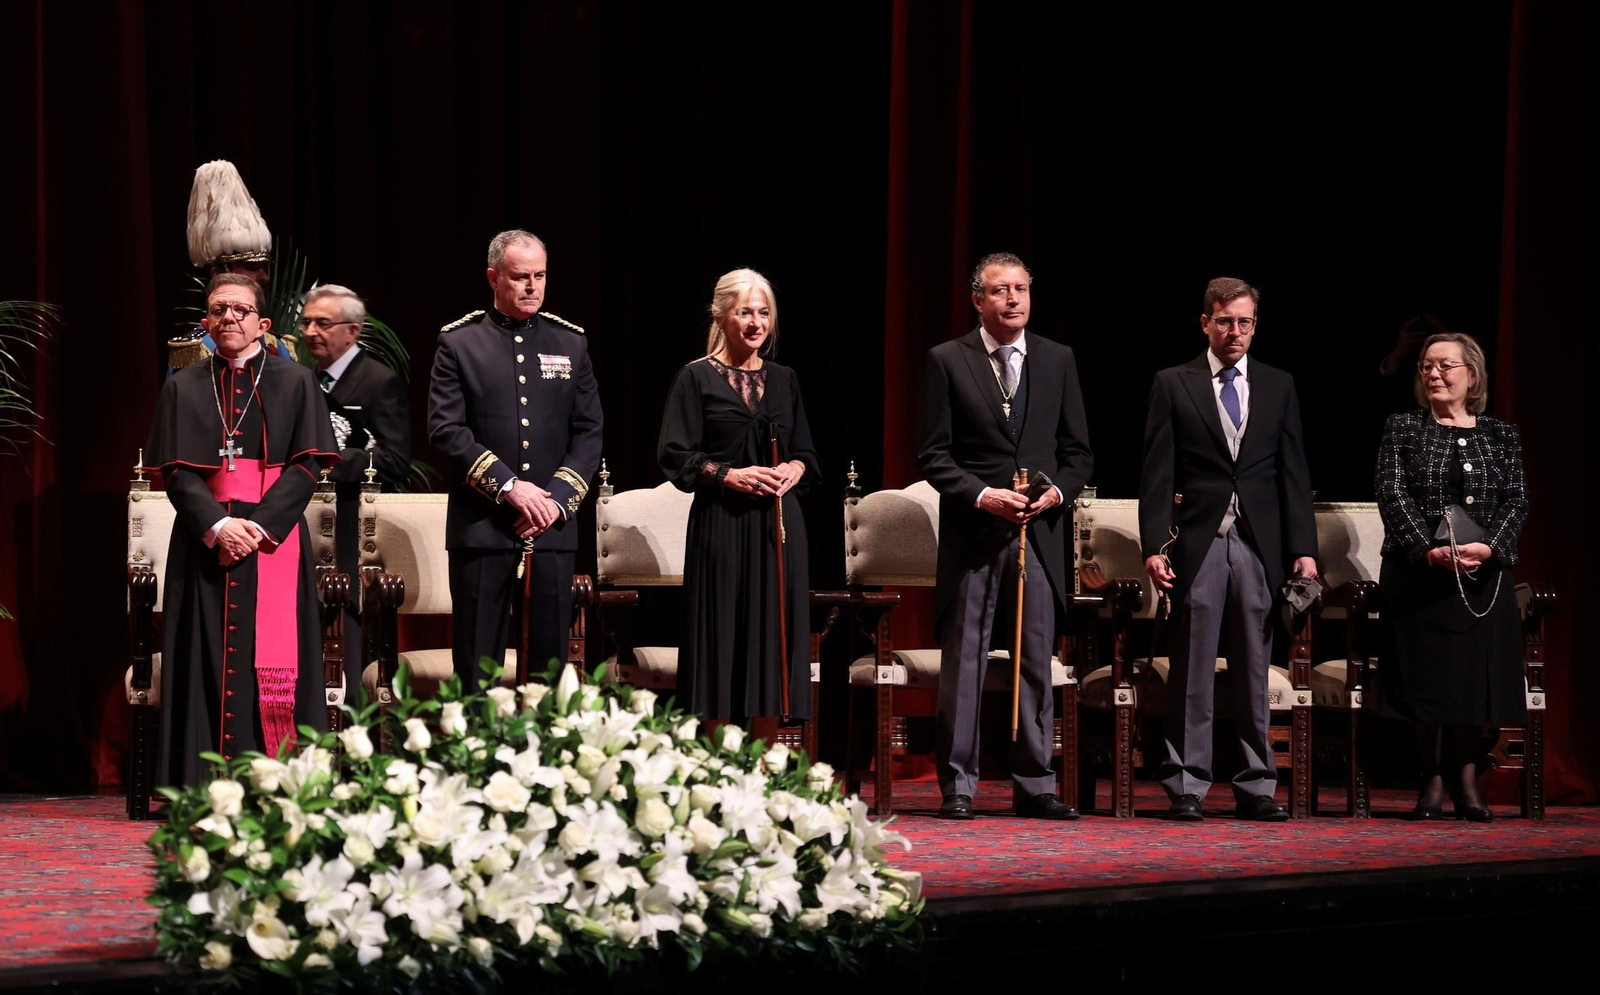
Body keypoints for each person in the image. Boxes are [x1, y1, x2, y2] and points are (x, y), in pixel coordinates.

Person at [916, 252, 1093, 821]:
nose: (1012, 299)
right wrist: (981, 494)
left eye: (1020, 289)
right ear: (978, 300)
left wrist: (1055, 494)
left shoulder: (1057, 359)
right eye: (999, 291)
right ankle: (959, 784)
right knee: (964, 662)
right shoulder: (948, 360)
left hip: (1036, 537)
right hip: (975, 536)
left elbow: (1078, 453)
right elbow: (934, 456)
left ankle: (1035, 782)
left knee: (1033, 661)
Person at [144, 273, 340, 787]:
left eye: (239, 309)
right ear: (206, 322)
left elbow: (306, 467)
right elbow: (176, 472)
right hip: (203, 540)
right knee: (200, 652)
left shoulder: (296, 382)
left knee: (274, 652)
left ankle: (277, 775)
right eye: (217, 310)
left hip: (271, 539)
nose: (228, 317)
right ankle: (196, 778)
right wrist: (218, 524)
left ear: (262, 323)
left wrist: (255, 528)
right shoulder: (181, 386)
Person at [1139, 277, 1318, 822]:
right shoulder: (1175, 383)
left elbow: (1293, 473)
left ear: (1254, 325)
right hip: (1199, 540)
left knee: (1253, 667)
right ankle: (1187, 783)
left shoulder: (1278, 384)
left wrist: (1303, 549)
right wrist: (1154, 545)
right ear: (1205, 323)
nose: (1234, 331)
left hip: (1258, 544)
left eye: (1244, 322)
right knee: (1192, 665)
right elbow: (1157, 471)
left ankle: (1257, 784)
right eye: (1224, 321)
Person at [428, 230, 603, 685]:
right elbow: (446, 430)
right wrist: (510, 488)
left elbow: (589, 432)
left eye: (540, 276)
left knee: (548, 669)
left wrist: (554, 501)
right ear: (493, 278)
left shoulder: (571, 343)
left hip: (552, 527)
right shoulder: (459, 344)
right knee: (476, 668)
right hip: (483, 527)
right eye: (521, 276)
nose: (532, 286)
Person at [658, 269, 819, 739]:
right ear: (721, 315)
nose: (756, 322)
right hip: (722, 526)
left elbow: (807, 453)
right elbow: (675, 456)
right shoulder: (695, 378)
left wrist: (795, 469)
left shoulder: (785, 380)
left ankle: (765, 764)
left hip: (779, 527)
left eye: (763, 312)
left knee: (772, 642)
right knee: (720, 638)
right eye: (745, 312)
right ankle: (718, 766)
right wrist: (729, 474)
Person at [1374, 332, 1527, 822]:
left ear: (1472, 375)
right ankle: (1431, 779)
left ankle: (1465, 776)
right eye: (1426, 366)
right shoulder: (1403, 428)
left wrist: (1491, 547)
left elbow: (1516, 499)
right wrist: (1428, 549)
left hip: (1482, 578)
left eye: (1445, 366)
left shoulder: (1501, 435)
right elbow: (1392, 494)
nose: (1434, 374)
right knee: (1425, 677)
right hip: (1419, 575)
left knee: (1470, 680)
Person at [301, 284, 412, 693]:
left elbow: (397, 460)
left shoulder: (378, 382)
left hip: (354, 530)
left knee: (347, 634)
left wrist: (327, 460)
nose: (311, 330)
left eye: (323, 323)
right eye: (307, 321)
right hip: (307, 524)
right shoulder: (305, 381)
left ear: (352, 330)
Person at [167, 160, 297, 375]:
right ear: (219, 275)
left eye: (265, 267)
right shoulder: (193, 350)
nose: (264, 276)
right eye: (251, 267)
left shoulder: (280, 346)